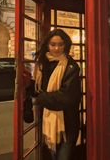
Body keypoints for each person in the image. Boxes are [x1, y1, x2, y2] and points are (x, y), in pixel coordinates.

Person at [33, 28, 81, 160]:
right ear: (47, 45)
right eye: (53, 44)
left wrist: (40, 98)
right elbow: (35, 89)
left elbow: (66, 97)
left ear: (66, 45)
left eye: (60, 44)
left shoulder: (71, 67)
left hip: (67, 123)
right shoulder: (42, 65)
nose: (56, 48)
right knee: (50, 156)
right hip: (46, 121)